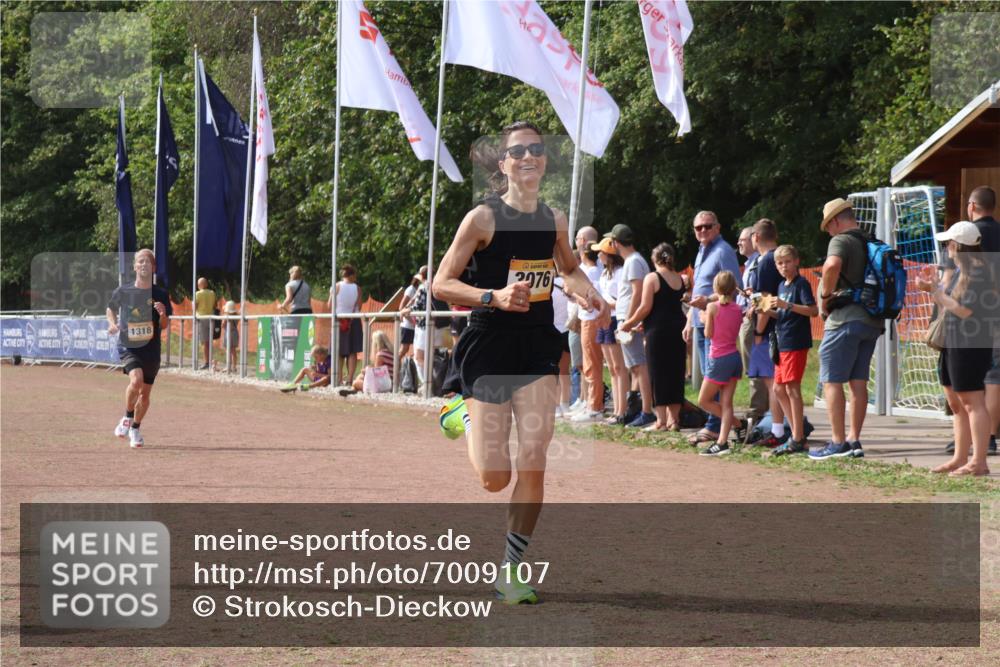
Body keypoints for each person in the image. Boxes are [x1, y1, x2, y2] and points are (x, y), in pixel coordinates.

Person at [433, 121, 608, 604]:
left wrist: (588, 292)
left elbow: (567, 268)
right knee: (495, 478)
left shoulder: (553, 219)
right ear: (504, 163)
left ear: (545, 160)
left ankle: (510, 572)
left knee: (534, 456)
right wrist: (493, 295)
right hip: (489, 345)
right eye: (517, 151)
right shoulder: (481, 219)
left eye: (536, 149)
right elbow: (442, 283)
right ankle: (460, 411)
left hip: (536, 345)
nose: (528, 156)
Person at [917, 221, 996, 476]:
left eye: (949, 243)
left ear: (959, 246)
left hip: (970, 344)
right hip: (953, 341)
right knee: (956, 403)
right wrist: (933, 288)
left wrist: (936, 292)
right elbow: (950, 304)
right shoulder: (962, 270)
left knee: (972, 401)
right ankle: (960, 458)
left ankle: (979, 462)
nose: (947, 248)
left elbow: (964, 311)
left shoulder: (979, 272)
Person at [810, 199, 884, 460]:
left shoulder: (841, 240)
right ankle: (853, 439)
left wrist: (825, 297)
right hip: (871, 320)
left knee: (831, 380)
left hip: (844, 319)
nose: (829, 232)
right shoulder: (869, 240)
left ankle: (837, 442)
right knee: (858, 381)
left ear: (835, 221)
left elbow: (831, 266)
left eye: (828, 227)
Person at [944, 186, 999, 456]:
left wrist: (937, 296)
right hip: (991, 314)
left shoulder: (965, 239)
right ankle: (987, 438)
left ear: (972, 206)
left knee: (974, 391)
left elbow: (950, 285)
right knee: (994, 375)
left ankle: (979, 444)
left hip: (971, 324)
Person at [683, 211, 743, 445]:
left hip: (715, 325)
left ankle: (714, 427)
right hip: (701, 321)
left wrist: (708, 302)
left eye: (707, 226)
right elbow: (699, 289)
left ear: (717, 227)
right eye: (698, 227)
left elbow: (733, 288)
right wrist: (690, 319)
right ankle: (726, 424)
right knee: (710, 377)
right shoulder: (701, 251)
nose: (702, 231)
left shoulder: (723, 251)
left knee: (714, 379)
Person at [108, 249, 172, 449]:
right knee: (135, 380)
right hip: (129, 346)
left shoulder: (161, 294)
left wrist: (162, 315)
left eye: (148, 262)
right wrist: (112, 323)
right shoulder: (124, 291)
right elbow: (111, 308)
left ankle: (135, 429)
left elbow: (164, 325)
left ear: (154, 268)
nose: (144, 264)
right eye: (140, 261)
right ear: (135, 266)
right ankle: (127, 418)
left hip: (151, 349)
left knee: (145, 394)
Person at [621, 242, 686, 431]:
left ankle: (661, 421)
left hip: (657, 332)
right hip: (677, 329)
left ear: (654, 259)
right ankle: (674, 420)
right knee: (675, 372)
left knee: (658, 373)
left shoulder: (652, 278)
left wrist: (629, 322)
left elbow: (645, 307)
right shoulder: (680, 278)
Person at [765, 245, 818, 455]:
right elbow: (783, 315)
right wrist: (766, 311)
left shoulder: (801, 284)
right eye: (780, 263)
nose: (784, 266)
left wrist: (786, 305)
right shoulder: (781, 285)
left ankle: (797, 437)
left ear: (796, 261)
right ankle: (797, 433)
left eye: (787, 262)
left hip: (796, 342)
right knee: (778, 389)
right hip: (782, 342)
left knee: (792, 389)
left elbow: (813, 311)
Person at [607, 224, 656, 428]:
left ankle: (647, 411)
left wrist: (629, 320)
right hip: (627, 319)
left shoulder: (633, 261)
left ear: (615, 242)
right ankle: (637, 409)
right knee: (634, 366)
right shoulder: (632, 260)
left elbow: (637, 291)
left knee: (638, 365)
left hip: (628, 319)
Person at [745, 219, 785, 447]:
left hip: (770, 328)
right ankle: (780, 427)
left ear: (756, 237)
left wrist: (759, 330)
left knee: (772, 382)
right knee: (777, 382)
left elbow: (765, 299)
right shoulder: (778, 257)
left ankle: (777, 429)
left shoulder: (766, 260)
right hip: (782, 324)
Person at [697, 271, 743, 456]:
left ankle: (736, 425)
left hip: (718, 358)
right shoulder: (738, 308)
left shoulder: (712, 307)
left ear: (715, 287)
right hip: (734, 357)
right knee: (726, 403)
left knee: (704, 400)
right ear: (733, 289)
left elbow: (708, 334)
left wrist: (704, 317)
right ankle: (723, 441)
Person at [570, 225, 607, 422]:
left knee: (592, 364)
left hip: (591, 320)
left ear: (583, 241)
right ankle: (590, 403)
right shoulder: (595, 268)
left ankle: (595, 406)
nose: (576, 242)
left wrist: (575, 295)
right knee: (589, 364)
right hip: (588, 319)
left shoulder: (591, 271)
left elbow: (589, 296)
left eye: (577, 238)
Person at [592, 238, 628, 425]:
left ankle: (622, 410)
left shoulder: (621, 272)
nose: (598, 255)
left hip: (615, 319)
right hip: (604, 318)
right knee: (612, 368)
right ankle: (616, 410)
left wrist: (606, 304)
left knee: (619, 367)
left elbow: (623, 300)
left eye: (601, 252)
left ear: (609, 255)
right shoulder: (604, 274)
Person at [736, 226, 769, 426]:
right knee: (752, 365)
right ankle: (760, 409)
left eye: (742, 240)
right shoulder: (751, 263)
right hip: (749, 316)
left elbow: (764, 295)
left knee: (754, 366)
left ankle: (757, 411)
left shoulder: (760, 262)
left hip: (753, 318)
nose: (739, 243)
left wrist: (752, 304)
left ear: (753, 239)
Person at [330, 264, 363, 385]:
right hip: (353, 321)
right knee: (352, 351)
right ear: (352, 275)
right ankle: (349, 379)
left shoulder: (336, 286)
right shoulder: (358, 288)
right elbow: (359, 306)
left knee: (338, 351)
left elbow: (330, 305)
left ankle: (339, 379)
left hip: (339, 320)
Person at [551, 276, 572, 417]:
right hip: (567, 329)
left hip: (554, 330)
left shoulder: (546, 285)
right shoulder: (566, 282)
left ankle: (556, 405)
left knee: (554, 372)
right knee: (564, 370)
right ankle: (565, 404)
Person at [399, 268, 426, 359]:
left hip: (416, 325)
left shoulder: (421, 289)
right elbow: (402, 307)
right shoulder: (411, 289)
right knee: (404, 349)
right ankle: (394, 364)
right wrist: (412, 321)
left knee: (417, 349)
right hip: (407, 325)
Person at [194, 277, 216, 370]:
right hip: (211, 318)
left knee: (205, 342)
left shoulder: (198, 294)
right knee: (209, 341)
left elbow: (194, 307)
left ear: (198, 285)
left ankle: (207, 362)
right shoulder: (212, 293)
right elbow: (215, 305)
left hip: (201, 318)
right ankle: (210, 361)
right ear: (206, 284)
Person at [223, 300, 239, 372]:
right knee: (233, 350)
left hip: (228, 333)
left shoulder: (226, 316)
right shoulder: (237, 316)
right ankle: (234, 366)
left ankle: (228, 366)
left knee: (228, 350)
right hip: (235, 333)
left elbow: (223, 325)